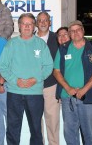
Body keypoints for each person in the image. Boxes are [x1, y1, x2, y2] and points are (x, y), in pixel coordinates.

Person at [0, 13, 53, 145]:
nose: (27, 26)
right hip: (14, 92)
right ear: (19, 26)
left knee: (36, 130)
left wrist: (35, 79)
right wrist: (15, 80)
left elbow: (49, 66)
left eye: (30, 24)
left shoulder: (41, 44)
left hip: (35, 93)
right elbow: (2, 66)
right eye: (24, 24)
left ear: (34, 26)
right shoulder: (11, 44)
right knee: (13, 128)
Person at [53, 20, 92, 145]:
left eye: (78, 29)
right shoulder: (63, 49)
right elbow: (56, 71)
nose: (75, 32)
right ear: (69, 34)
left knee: (90, 135)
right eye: (72, 31)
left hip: (88, 97)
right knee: (70, 134)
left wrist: (84, 90)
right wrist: (68, 88)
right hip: (68, 98)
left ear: (83, 31)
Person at [35, 12, 59, 145]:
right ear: (36, 23)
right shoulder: (30, 39)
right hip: (34, 86)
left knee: (52, 120)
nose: (43, 23)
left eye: (46, 20)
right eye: (40, 20)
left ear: (49, 22)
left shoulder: (57, 38)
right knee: (36, 121)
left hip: (51, 84)